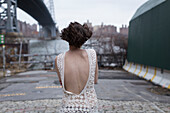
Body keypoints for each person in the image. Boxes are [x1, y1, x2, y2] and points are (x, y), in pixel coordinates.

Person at [55, 22, 99, 113]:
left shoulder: (59, 59)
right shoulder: (92, 54)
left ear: (66, 38)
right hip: (89, 107)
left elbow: (63, 84)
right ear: (84, 38)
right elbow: (95, 80)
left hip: (68, 107)